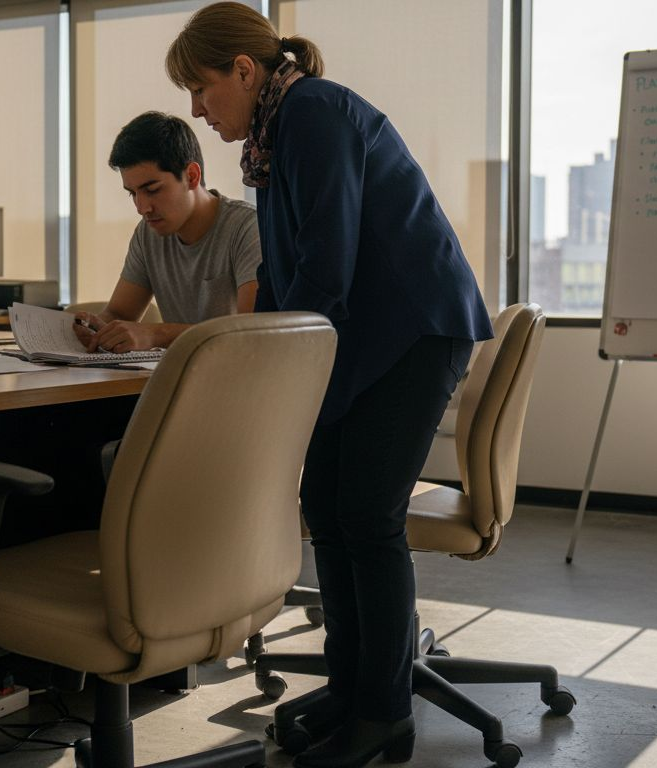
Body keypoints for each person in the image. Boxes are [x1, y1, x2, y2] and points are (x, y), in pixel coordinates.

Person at [166, 6, 494, 768]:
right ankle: (353, 688)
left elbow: (327, 265)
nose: (195, 108)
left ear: (244, 71)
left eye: (201, 88)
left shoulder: (312, 111)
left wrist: (270, 369)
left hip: (411, 328)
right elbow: (287, 273)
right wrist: (258, 354)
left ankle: (384, 713)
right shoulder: (273, 138)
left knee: (366, 515)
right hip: (368, 334)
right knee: (327, 509)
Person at [73, 111, 260, 354]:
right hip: (179, 378)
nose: (142, 208)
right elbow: (119, 314)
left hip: (237, 381)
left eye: (152, 190)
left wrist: (156, 333)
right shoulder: (148, 233)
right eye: (133, 193)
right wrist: (94, 328)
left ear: (192, 176)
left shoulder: (247, 228)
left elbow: (250, 330)